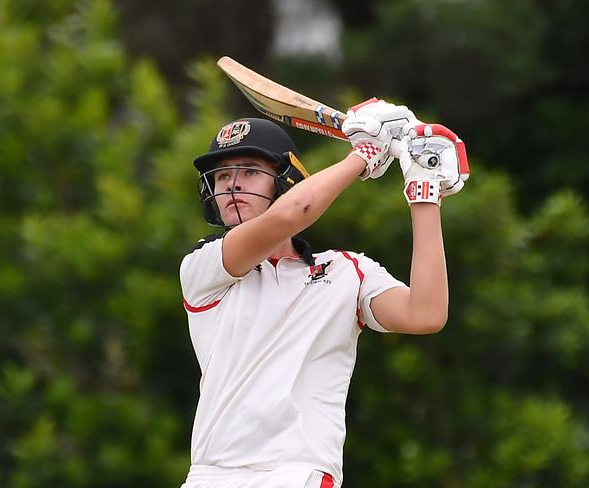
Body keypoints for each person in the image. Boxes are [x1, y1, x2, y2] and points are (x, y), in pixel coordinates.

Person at [179, 99, 469, 488]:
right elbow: (291, 214)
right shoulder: (205, 265)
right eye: (222, 175)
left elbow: (426, 313)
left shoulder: (346, 271)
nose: (231, 184)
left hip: (297, 473)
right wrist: (363, 156)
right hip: (210, 476)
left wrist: (423, 193)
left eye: (249, 171)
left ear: (285, 181)